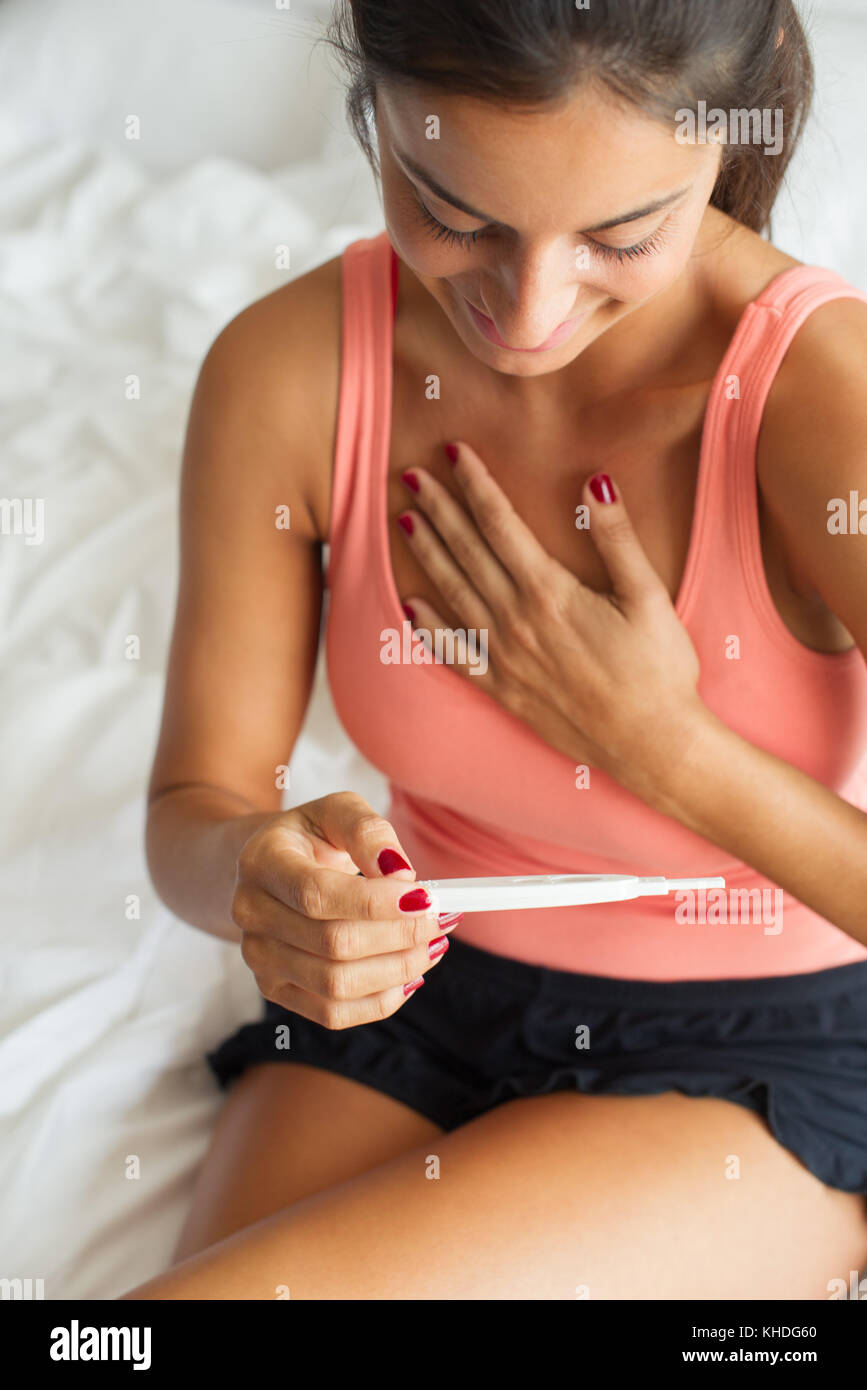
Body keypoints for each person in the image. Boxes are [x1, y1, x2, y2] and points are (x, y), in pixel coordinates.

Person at [121, 0, 867, 1299]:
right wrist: (263, 875)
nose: (526, 313)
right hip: (416, 994)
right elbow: (197, 803)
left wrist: (660, 746)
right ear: (373, 114)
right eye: (453, 209)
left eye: (621, 234)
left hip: (761, 1041)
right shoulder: (287, 370)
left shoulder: (823, 404)